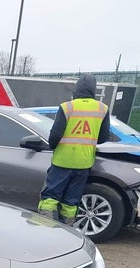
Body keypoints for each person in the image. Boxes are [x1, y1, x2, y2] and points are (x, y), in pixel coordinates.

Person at [37, 74, 110, 225]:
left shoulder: (67, 107)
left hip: (62, 161)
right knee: (71, 201)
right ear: (93, 90)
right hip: (83, 163)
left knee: (50, 197)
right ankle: (67, 232)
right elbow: (103, 137)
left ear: (77, 89)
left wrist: (52, 145)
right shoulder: (102, 109)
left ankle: (44, 228)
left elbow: (55, 134)